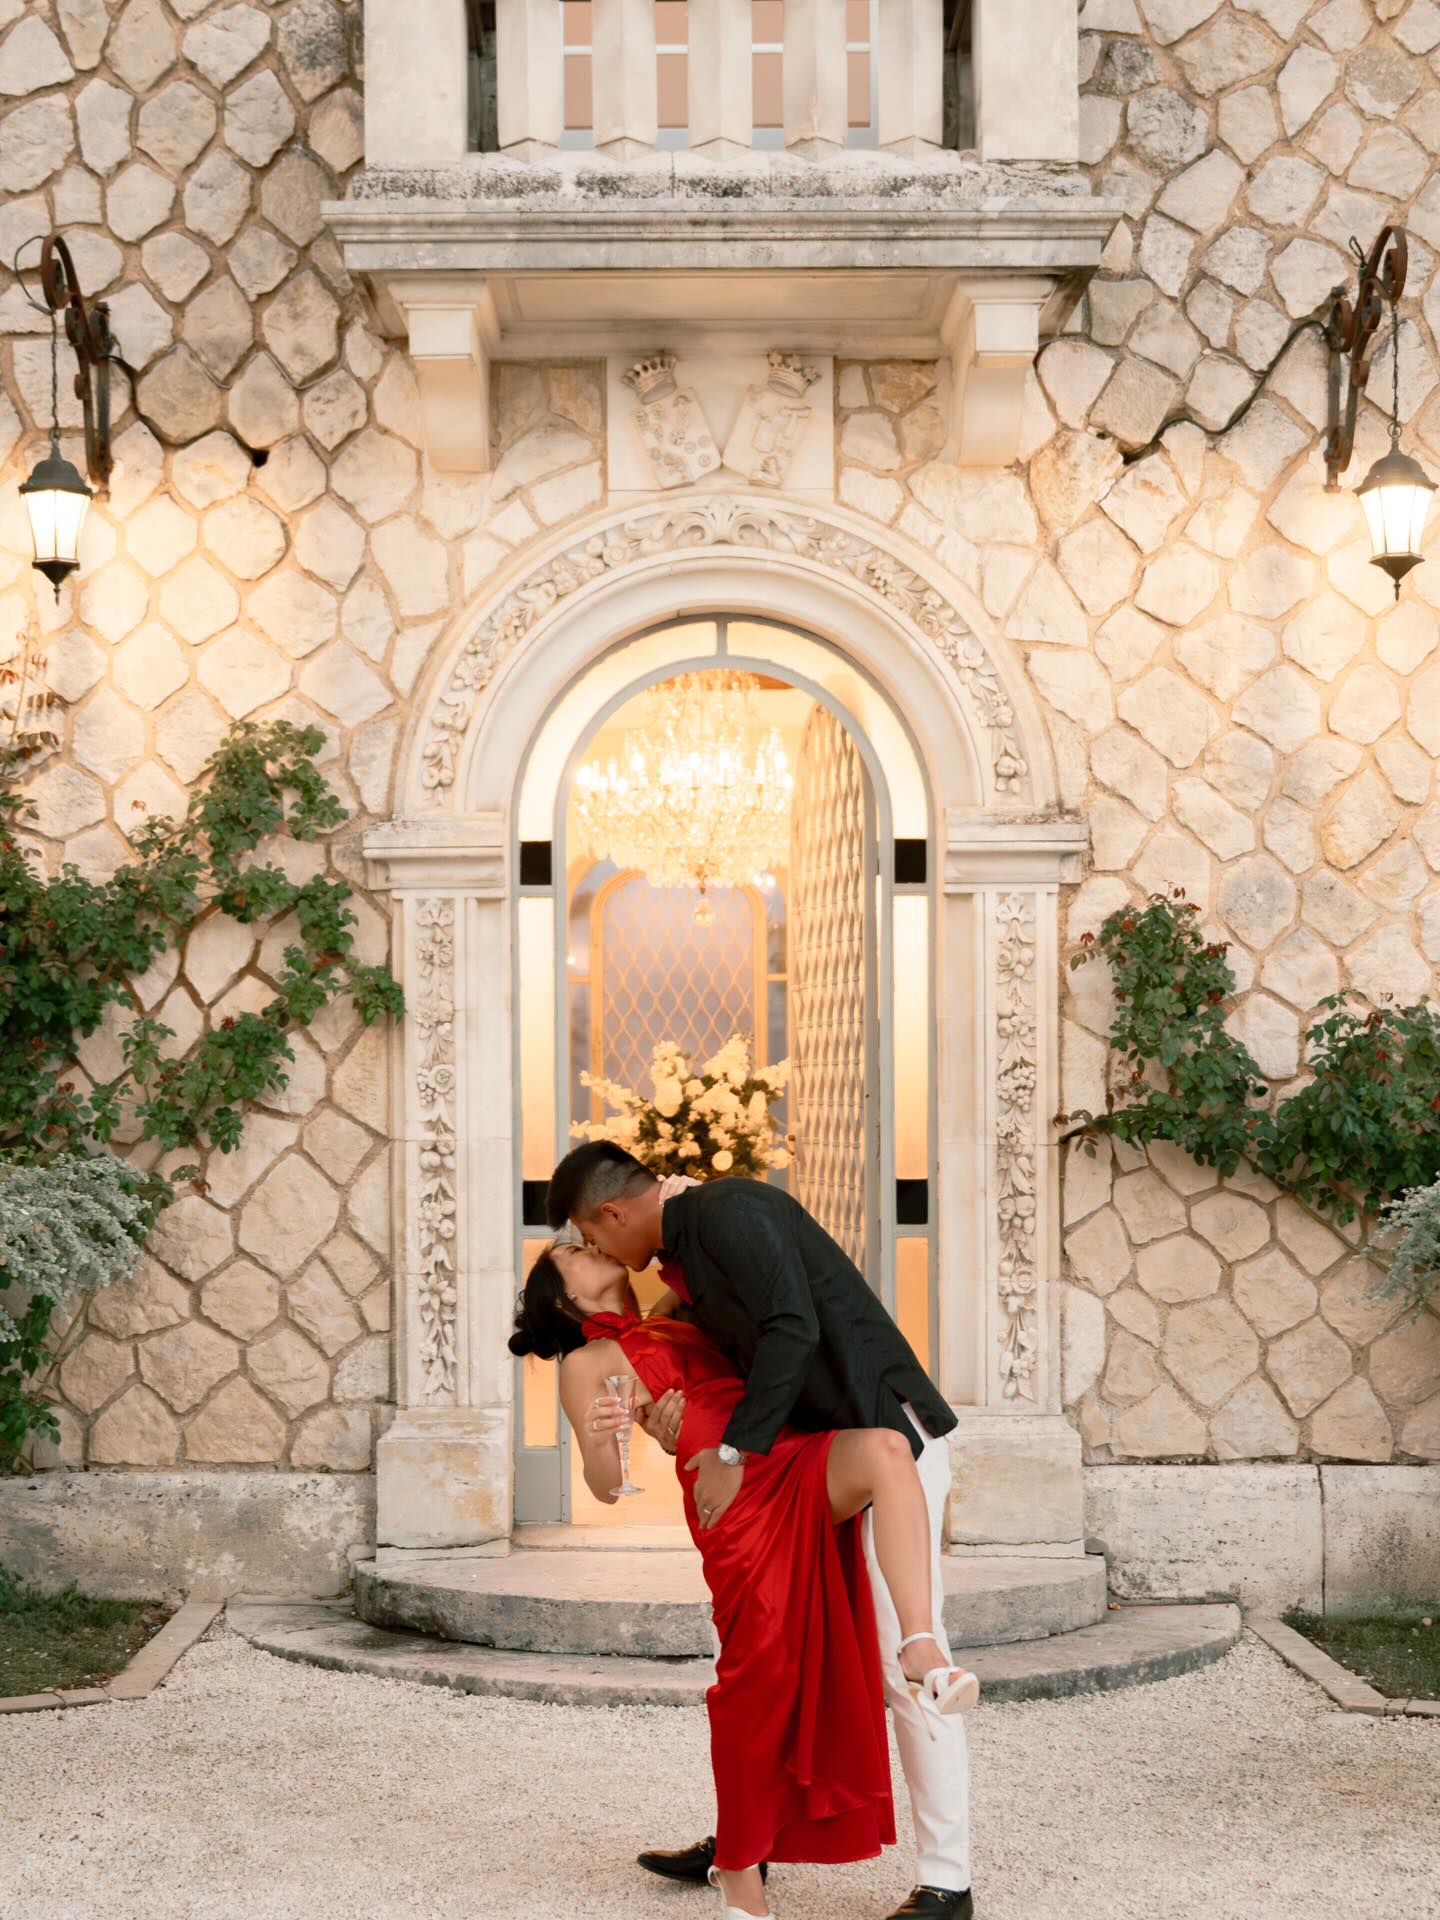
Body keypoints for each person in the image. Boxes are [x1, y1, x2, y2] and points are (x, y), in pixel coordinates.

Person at [546, 1142, 976, 1920]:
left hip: (876, 1439)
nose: (592, 1250)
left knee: (898, 1659)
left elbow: (790, 1326)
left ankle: (947, 1882)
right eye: (577, 1250)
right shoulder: (674, 1277)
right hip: (791, 1463)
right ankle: (747, 1840)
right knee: (755, 1664)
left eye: (587, 1235)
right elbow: (682, 1395)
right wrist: (671, 1429)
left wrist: (733, 1447)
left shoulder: (729, 1211)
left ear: (612, 1213)